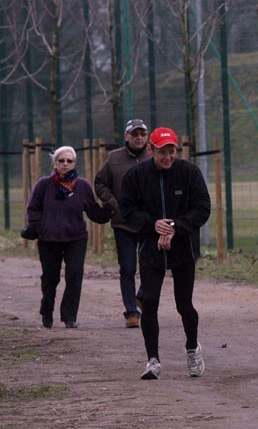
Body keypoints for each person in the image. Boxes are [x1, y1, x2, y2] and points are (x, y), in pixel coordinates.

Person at [120, 127, 211, 380]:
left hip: (183, 248)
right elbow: (127, 209)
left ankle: (192, 348)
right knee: (149, 302)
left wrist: (175, 227)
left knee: (185, 305)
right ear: (151, 150)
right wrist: (152, 224)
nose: (167, 157)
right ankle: (153, 360)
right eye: (162, 152)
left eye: (171, 151)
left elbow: (202, 208)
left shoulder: (189, 172)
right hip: (151, 249)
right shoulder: (136, 175)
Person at [25, 146, 112, 329]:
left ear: (74, 163)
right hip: (49, 239)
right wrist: (41, 227)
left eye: (69, 161)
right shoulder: (44, 184)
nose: (65, 164)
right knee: (50, 278)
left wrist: (109, 209)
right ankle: (46, 312)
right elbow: (33, 209)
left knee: (74, 275)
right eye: (61, 161)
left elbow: (94, 212)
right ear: (55, 163)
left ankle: (69, 316)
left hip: (76, 237)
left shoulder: (82, 186)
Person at [94, 118, 152, 328]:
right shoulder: (114, 158)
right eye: (134, 134)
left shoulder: (153, 157)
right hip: (123, 222)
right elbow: (100, 183)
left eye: (142, 134)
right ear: (126, 136)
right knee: (127, 268)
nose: (138, 138)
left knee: (151, 265)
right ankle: (131, 312)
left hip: (148, 222)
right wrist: (114, 204)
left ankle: (143, 295)